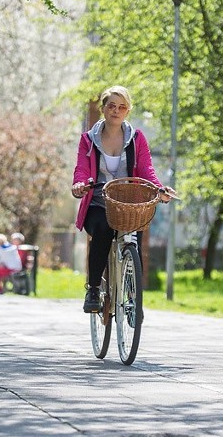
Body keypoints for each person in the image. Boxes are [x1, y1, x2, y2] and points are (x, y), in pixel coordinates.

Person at [70, 85, 175, 313]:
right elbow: (81, 169)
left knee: (133, 241)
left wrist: (159, 190)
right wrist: (80, 185)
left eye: (122, 107)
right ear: (104, 109)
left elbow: (147, 169)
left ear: (127, 111)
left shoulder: (136, 139)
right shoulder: (88, 140)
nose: (116, 111)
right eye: (111, 106)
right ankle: (94, 289)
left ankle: (131, 297)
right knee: (103, 229)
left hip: (129, 205)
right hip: (98, 203)